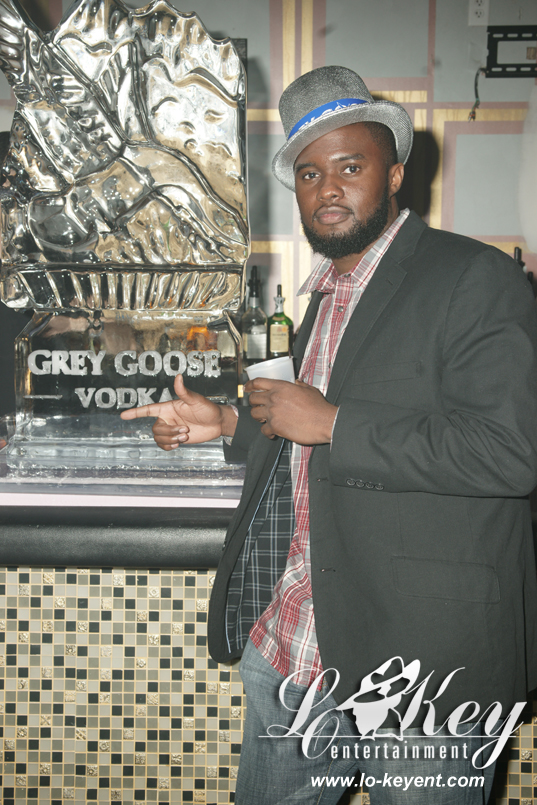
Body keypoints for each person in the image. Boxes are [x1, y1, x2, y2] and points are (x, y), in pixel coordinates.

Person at [121, 66, 537, 804]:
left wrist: (334, 422)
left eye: (350, 166)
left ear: (395, 173)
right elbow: (304, 435)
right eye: (310, 174)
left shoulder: (473, 277)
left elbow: (509, 452)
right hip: (295, 643)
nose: (328, 189)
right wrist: (225, 423)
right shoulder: (320, 296)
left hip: (419, 661)